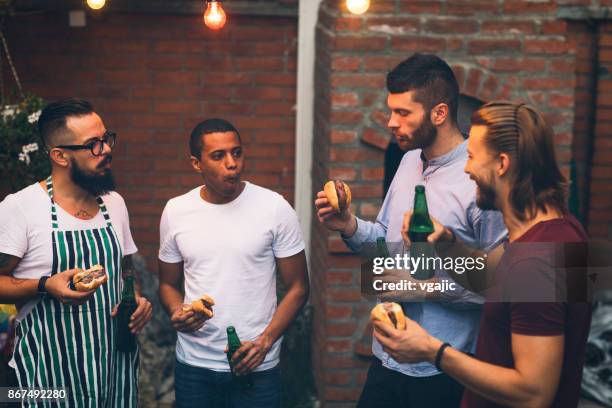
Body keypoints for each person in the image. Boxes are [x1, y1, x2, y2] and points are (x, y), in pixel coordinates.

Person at [315, 53, 506, 407]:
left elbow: (495, 285)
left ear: (440, 113)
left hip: (444, 369)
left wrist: (418, 288)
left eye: (403, 113)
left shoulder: (477, 178)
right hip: (387, 356)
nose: (391, 122)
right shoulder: (407, 161)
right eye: (391, 111)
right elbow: (386, 245)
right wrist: (349, 225)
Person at [375, 101, 592, 407]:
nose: (466, 168)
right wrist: (447, 242)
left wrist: (432, 351)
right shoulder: (559, 229)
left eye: (473, 157)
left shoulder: (538, 262)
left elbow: (533, 393)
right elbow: (489, 278)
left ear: (502, 164)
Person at [0, 98, 152, 406]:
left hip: (114, 369)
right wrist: (44, 285)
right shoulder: (21, 208)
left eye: (107, 139)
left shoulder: (115, 203)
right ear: (59, 155)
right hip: (48, 374)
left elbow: (126, 271)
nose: (107, 150)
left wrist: (135, 299)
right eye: (93, 144)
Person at [158, 118, 309, 408]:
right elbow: (167, 284)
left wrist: (265, 343)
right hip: (194, 366)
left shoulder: (274, 207)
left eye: (237, 153)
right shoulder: (176, 211)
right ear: (196, 164)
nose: (232, 163)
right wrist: (177, 311)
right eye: (218, 156)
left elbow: (299, 288)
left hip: (255, 365)